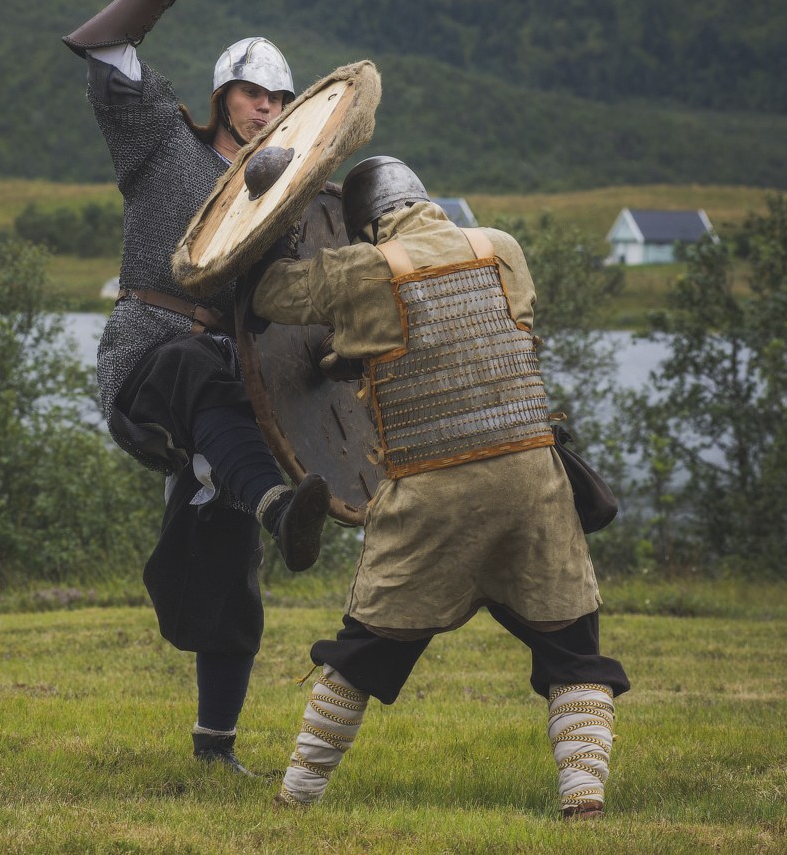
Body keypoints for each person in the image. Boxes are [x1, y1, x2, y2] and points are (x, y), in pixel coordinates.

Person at [250, 156, 630, 818]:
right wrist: (357, 351)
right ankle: (584, 797)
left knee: (362, 649)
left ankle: (296, 796)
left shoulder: (363, 268)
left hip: (432, 491)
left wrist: (280, 223)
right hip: (532, 480)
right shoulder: (500, 248)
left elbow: (268, 296)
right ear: (428, 203)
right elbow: (462, 339)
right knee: (572, 647)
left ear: (363, 227)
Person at [61, 0, 330, 774]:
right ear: (224, 96)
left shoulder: (283, 212)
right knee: (189, 364)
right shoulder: (159, 144)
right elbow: (102, 44)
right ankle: (268, 498)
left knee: (226, 572)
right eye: (253, 93)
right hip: (148, 367)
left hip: (229, 398)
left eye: (280, 101)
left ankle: (216, 749)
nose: (266, 109)